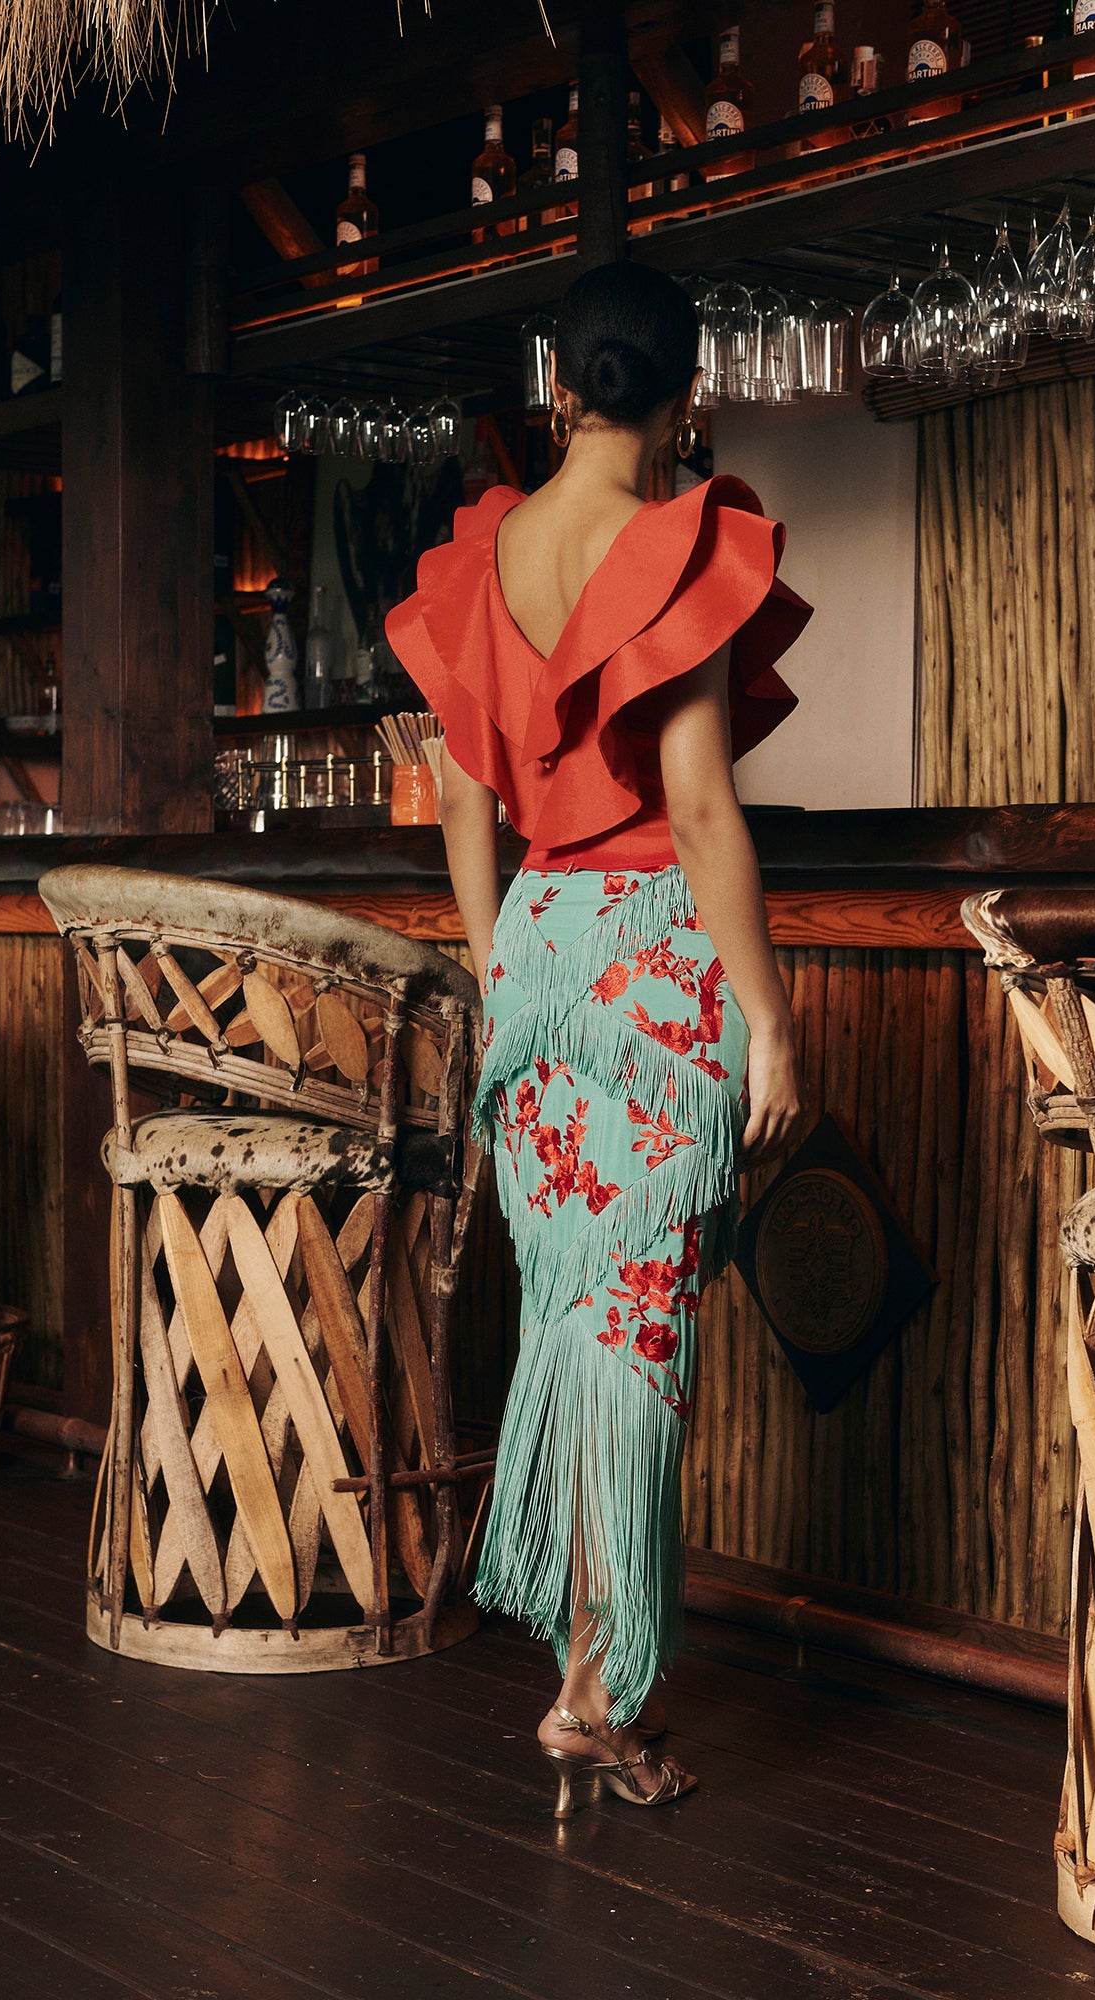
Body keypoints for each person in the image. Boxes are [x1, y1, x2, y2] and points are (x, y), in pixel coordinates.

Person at [386, 260, 810, 1815]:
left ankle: (591, 1671)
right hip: (655, 974)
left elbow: (460, 793)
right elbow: (696, 809)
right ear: (686, 396)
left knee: (578, 1325)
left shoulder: (486, 551)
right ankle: (595, 1693)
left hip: (543, 960)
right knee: (636, 1340)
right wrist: (769, 1018)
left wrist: (501, 962)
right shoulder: (673, 544)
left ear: (559, 388)